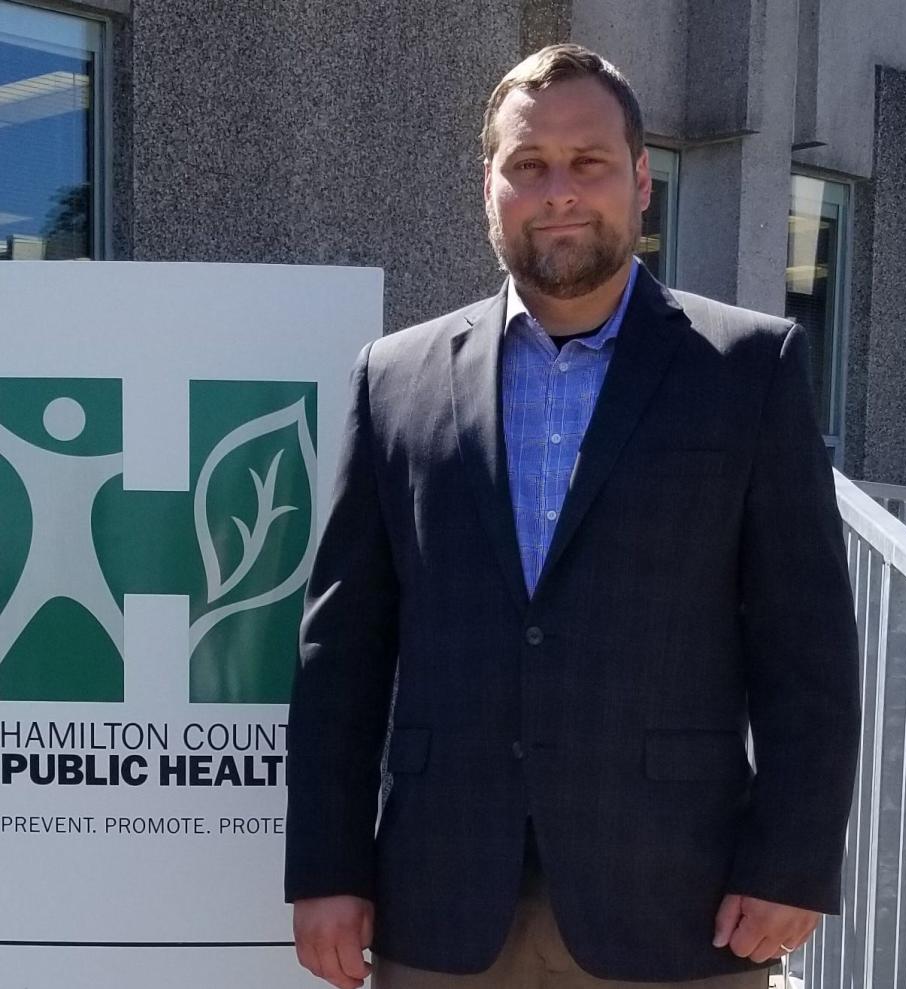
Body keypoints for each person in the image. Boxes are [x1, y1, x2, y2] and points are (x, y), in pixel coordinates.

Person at [284, 43, 861, 989]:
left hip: (683, 906)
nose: (559, 190)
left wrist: (793, 860)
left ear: (640, 180)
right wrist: (327, 865)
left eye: (588, 162)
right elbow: (340, 651)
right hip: (440, 901)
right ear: (489, 187)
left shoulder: (749, 370)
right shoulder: (395, 379)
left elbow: (807, 650)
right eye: (529, 165)